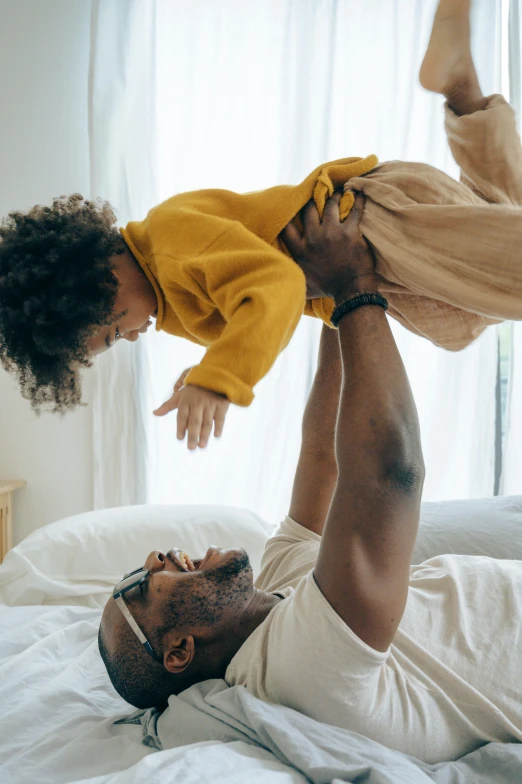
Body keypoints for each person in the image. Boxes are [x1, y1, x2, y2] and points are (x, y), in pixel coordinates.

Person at [98, 193, 522, 765]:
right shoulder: (297, 667)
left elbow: (324, 453)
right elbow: (391, 473)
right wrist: (354, 288)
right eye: (141, 586)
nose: (156, 556)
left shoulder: (274, 587)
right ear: (177, 651)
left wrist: (326, 306)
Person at [1, 0, 521, 451]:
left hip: (367, 223)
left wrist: (220, 378)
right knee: (467, 312)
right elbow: (247, 304)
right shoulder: (168, 284)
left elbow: (276, 286)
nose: (131, 337)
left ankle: (461, 89)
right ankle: (465, 97)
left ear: (100, 279)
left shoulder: (171, 242)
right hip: (382, 259)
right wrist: (209, 367)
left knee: (509, 273)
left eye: (113, 331)